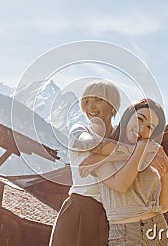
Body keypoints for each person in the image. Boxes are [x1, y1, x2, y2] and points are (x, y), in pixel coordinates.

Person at [80, 99, 168, 245]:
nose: (142, 128)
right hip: (125, 235)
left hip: (159, 232)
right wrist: (143, 146)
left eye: (150, 127)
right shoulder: (103, 152)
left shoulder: (150, 158)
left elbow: (164, 206)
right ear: (128, 117)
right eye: (139, 119)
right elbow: (120, 185)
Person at [49, 79, 121, 246]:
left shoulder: (122, 135)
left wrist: (100, 156)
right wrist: (127, 153)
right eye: (87, 101)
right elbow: (91, 144)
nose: (91, 107)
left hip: (109, 217)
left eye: (98, 100)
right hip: (78, 209)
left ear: (112, 105)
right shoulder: (79, 130)